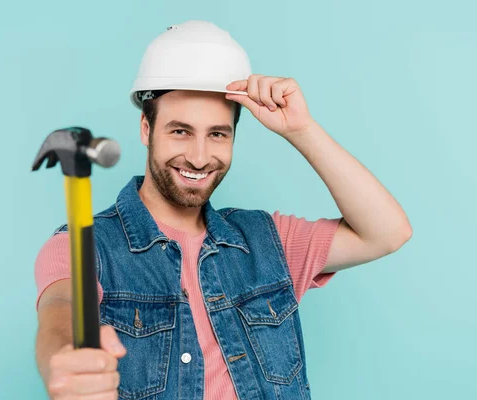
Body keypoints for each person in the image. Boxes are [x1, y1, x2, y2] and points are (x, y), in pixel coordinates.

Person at [34, 20, 412, 400]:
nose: (199, 158)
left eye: (217, 134)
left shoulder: (268, 241)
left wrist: (300, 128)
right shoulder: (85, 245)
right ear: (146, 129)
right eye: (180, 131)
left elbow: (387, 232)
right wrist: (64, 361)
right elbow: (60, 310)